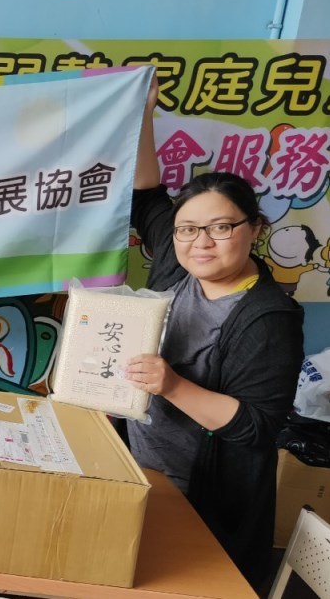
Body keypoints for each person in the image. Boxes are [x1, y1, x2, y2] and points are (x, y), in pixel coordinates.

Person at [123, 76, 304, 589]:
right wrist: (144, 112)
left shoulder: (268, 318)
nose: (201, 241)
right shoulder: (177, 268)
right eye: (188, 229)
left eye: (221, 228)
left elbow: (257, 428)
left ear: (254, 229)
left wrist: (172, 385)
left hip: (201, 501)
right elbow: (146, 195)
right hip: (140, 470)